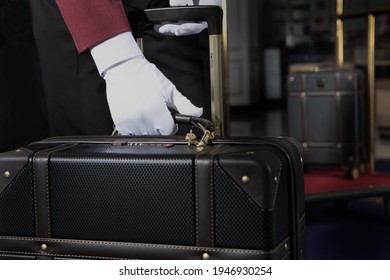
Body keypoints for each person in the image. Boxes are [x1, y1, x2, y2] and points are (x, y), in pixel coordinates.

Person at [30, 0, 221, 136]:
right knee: (95, 173)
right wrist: (118, 60)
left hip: (173, 14)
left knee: (191, 153)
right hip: (88, 20)